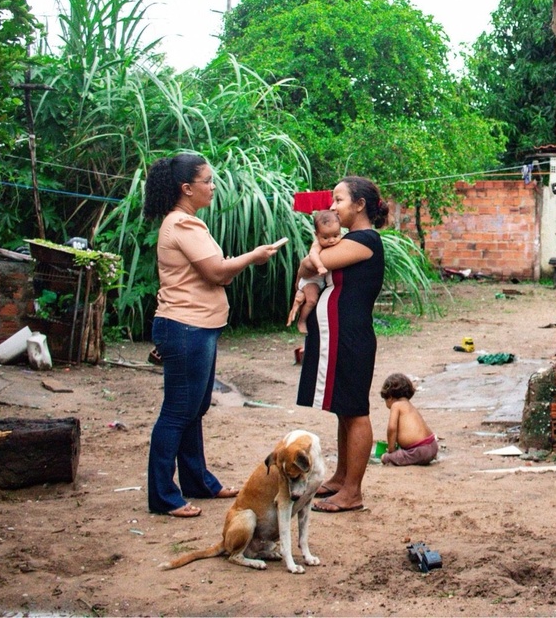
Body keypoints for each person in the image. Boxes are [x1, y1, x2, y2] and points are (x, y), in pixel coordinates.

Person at [142, 153, 285, 518]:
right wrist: (254, 256)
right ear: (187, 188)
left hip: (195, 327)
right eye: (207, 181)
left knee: (194, 408)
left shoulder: (184, 222)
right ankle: (163, 496)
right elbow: (217, 273)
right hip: (186, 328)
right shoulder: (183, 225)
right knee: (177, 412)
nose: (213, 186)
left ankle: (198, 481)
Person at [295, 176, 387, 513]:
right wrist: (313, 257)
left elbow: (312, 266)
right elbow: (309, 266)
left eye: (339, 200)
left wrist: (315, 252)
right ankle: (341, 478)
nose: (332, 207)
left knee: (356, 411)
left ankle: (353, 492)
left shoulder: (364, 240)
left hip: (350, 335)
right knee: (343, 409)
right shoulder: (348, 240)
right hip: (340, 334)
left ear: (359, 205)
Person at [286, 209, 343, 333]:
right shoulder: (317, 244)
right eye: (325, 237)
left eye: (335, 235)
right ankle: (302, 320)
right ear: (316, 235)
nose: (332, 240)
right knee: (312, 301)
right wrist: (320, 266)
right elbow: (313, 255)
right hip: (310, 280)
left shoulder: (340, 242)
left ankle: (301, 306)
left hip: (321, 281)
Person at [378, 373, 438, 467]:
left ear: (389, 397)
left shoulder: (396, 405)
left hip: (418, 451)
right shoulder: (409, 405)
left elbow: (392, 428)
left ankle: (390, 457)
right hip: (433, 447)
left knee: (385, 458)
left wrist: (391, 450)